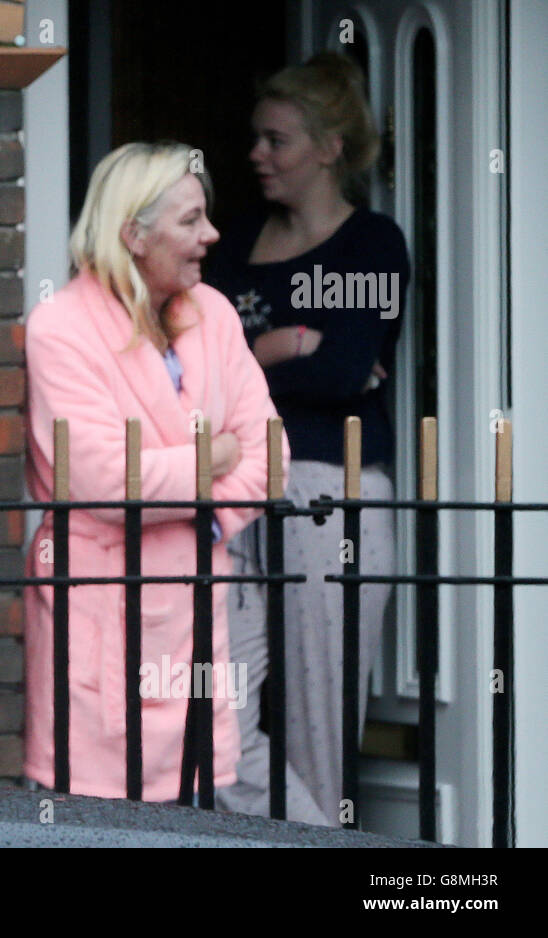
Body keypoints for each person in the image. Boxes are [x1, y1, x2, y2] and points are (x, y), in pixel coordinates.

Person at [23, 141, 290, 801]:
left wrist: (208, 514)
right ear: (133, 234)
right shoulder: (61, 328)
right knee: (96, 811)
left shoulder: (217, 316)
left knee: (198, 806)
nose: (212, 235)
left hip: (199, 596)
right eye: (191, 220)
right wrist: (213, 456)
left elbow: (268, 454)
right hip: (102, 612)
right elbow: (107, 481)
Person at [205, 52, 410, 824]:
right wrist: (274, 351)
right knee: (212, 705)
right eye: (257, 138)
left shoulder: (373, 245)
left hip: (331, 490)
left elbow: (347, 368)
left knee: (319, 724)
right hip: (234, 489)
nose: (257, 154)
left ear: (328, 148)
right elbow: (207, 371)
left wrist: (251, 367)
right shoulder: (234, 246)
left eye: (277, 140)